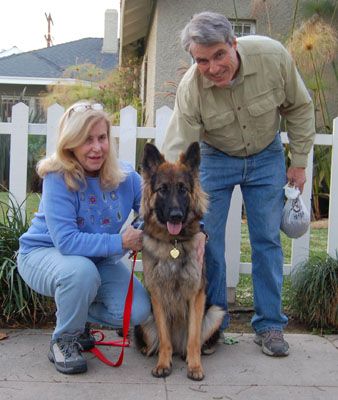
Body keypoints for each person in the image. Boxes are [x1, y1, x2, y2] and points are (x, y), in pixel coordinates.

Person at [162, 11, 315, 357]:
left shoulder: (272, 57)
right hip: (216, 157)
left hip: (267, 155)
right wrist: (177, 200)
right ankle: (215, 325)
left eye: (219, 55)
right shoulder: (191, 89)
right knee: (207, 241)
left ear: (233, 43)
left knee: (266, 239)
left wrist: (300, 163)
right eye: (202, 60)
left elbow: (300, 107)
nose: (213, 67)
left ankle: (270, 326)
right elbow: (179, 150)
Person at [18, 101, 151, 374]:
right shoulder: (57, 177)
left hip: (97, 261)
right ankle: (64, 339)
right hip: (44, 254)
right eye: (86, 139)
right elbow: (66, 242)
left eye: (101, 138)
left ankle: (76, 316)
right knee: (80, 272)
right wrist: (121, 242)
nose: (96, 148)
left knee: (137, 311)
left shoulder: (125, 176)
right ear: (70, 143)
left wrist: (197, 229)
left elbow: (157, 205)